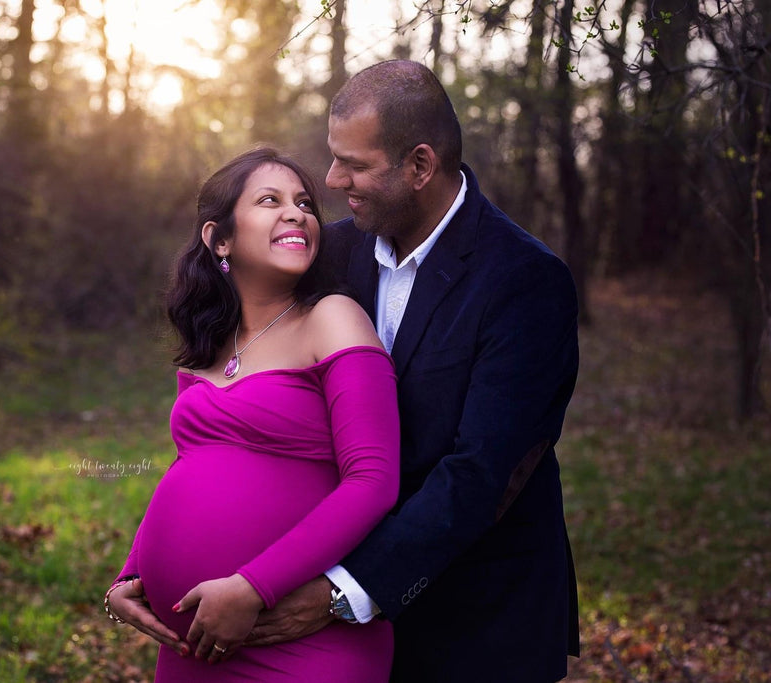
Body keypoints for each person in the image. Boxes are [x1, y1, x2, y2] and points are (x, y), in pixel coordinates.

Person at [246, 60, 581, 682]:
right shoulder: (335, 253)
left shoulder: (526, 281)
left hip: (477, 626)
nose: (332, 177)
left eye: (356, 164)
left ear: (420, 166)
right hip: (337, 633)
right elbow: (266, 401)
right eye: (333, 156)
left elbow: (484, 472)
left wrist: (342, 592)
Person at [104, 147, 401, 682]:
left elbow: (373, 481)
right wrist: (129, 574)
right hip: (190, 640)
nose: (298, 213)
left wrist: (251, 587)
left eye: (305, 203)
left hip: (298, 641)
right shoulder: (214, 343)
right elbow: (187, 467)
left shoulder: (332, 318)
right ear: (220, 240)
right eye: (270, 200)